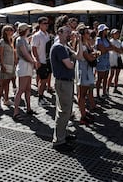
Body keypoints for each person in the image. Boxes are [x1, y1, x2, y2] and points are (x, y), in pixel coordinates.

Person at [50, 23, 83, 152]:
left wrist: (79, 42)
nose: (69, 34)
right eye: (66, 32)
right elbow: (70, 65)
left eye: (70, 32)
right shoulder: (59, 47)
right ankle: (59, 141)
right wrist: (73, 61)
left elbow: (79, 56)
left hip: (67, 81)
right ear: (59, 33)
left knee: (67, 110)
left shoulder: (65, 46)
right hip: (63, 82)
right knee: (63, 111)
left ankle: (63, 135)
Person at [13, 23, 37, 119]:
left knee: (27, 89)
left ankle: (28, 108)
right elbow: (25, 53)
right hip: (24, 65)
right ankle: (16, 112)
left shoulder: (24, 39)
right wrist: (34, 62)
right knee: (21, 89)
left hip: (27, 65)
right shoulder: (20, 40)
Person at [75, 24, 97, 125]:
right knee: (82, 94)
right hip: (83, 70)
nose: (89, 34)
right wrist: (96, 55)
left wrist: (94, 54)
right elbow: (89, 58)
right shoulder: (82, 46)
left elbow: (92, 54)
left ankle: (84, 112)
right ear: (83, 35)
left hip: (88, 69)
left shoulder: (87, 44)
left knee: (86, 91)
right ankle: (82, 115)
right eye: (87, 33)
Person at [32, 16, 52, 107]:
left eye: (47, 23)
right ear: (40, 24)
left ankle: (42, 96)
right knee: (42, 80)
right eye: (44, 23)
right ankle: (40, 98)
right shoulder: (37, 35)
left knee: (45, 80)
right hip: (41, 61)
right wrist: (37, 60)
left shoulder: (47, 34)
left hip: (47, 61)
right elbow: (34, 48)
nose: (46, 25)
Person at [0, 25, 16, 109]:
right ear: (4, 31)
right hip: (4, 64)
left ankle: (6, 99)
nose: (10, 31)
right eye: (8, 30)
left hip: (11, 64)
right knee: (2, 84)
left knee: (8, 83)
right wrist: (2, 65)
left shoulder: (12, 40)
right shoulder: (2, 41)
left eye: (11, 30)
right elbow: (0, 55)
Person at [95, 24, 113, 99]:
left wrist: (106, 48)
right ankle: (98, 93)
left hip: (106, 60)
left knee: (105, 77)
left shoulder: (106, 39)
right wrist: (107, 48)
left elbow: (110, 47)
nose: (106, 31)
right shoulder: (98, 39)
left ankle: (104, 92)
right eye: (105, 30)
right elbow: (102, 50)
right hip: (101, 60)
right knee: (100, 78)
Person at [107, 29, 123, 94]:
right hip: (113, 58)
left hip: (118, 58)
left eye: (117, 33)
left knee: (117, 74)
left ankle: (115, 87)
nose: (117, 35)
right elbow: (115, 49)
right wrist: (118, 50)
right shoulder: (110, 41)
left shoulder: (119, 41)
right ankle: (107, 88)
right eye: (115, 33)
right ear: (112, 34)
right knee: (111, 74)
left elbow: (121, 50)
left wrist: (119, 50)